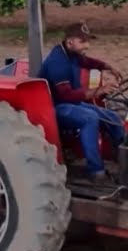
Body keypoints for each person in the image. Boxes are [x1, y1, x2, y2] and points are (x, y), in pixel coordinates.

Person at [36, 21, 126, 181]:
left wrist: (108, 66)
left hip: (71, 103)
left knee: (112, 117)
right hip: (55, 107)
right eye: (83, 41)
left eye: (88, 41)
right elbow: (67, 95)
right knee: (89, 118)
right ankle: (96, 171)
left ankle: (123, 159)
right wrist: (99, 90)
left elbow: (88, 62)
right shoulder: (57, 62)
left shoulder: (72, 54)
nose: (87, 45)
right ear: (70, 42)